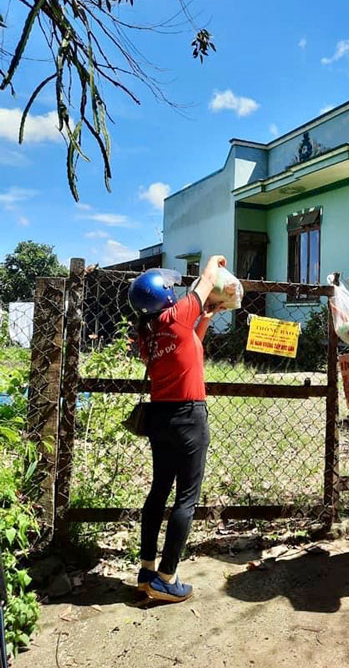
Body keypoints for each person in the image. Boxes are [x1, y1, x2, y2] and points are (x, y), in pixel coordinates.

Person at [128, 256, 227, 603]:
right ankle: (167, 578)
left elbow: (185, 350)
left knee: (159, 491)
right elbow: (207, 279)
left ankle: (146, 570)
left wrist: (203, 323)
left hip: (161, 418)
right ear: (164, 296)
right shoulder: (177, 315)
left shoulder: (147, 333)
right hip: (188, 416)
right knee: (186, 497)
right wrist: (214, 261)